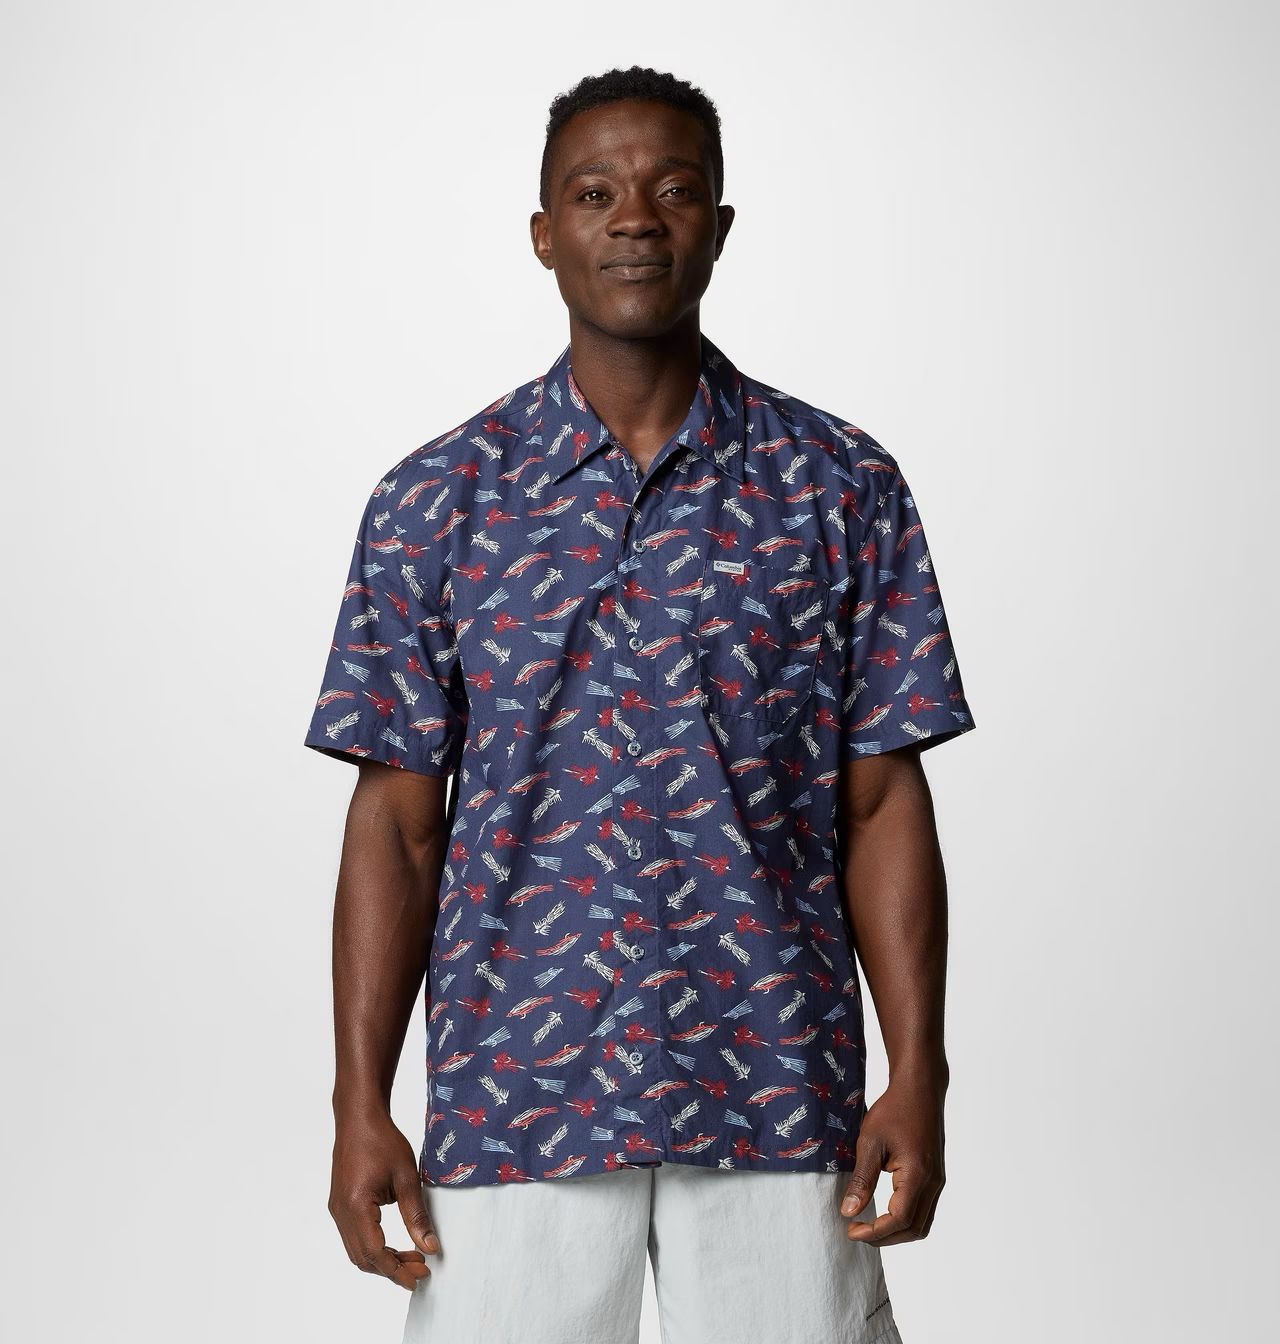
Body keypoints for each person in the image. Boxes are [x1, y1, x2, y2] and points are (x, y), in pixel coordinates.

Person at [303, 64, 976, 1344]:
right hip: (517, 1098)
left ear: (717, 226)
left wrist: (918, 1075)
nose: (632, 219)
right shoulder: (434, 502)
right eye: (593, 193)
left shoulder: (838, 486)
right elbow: (395, 824)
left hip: (778, 1087)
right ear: (542, 232)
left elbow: (881, 802)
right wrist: (358, 1104)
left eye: (672, 190)